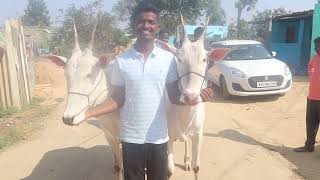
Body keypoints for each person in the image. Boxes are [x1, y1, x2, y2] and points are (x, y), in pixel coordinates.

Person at [83, 2, 214, 180]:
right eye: (141, 21)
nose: (146, 25)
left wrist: (196, 98)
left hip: (159, 140)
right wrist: (88, 113)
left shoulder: (168, 60)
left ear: (157, 27)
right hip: (131, 140)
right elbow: (117, 99)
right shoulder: (122, 61)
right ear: (134, 25)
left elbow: (175, 97)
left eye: (151, 22)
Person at [294, 37, 320, 153]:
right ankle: (309, 146)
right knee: (310, 123)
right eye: (316, 47)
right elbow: (310, 67)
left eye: (318, 46)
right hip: (312, 97)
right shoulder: (315, 58)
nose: (316, 48)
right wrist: (312, 76)